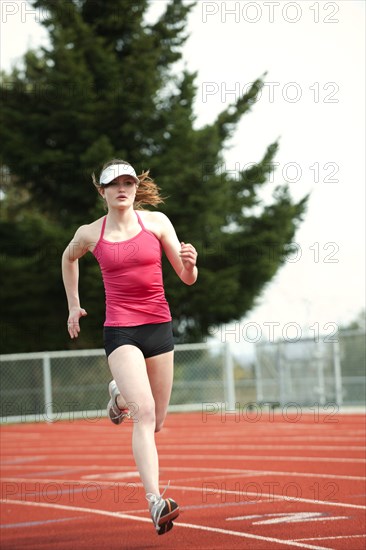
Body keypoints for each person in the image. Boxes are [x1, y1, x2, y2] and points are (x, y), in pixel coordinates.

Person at [61, 159, 198, 535]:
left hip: (159, 327)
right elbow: (67, 258)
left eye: (129, 182)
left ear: (136, 188)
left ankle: (118, 396)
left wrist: (191, 265)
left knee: (158, 421)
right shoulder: (90, 233)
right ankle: (156, 502)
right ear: (102, 191)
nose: (122, 188)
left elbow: (185, 278)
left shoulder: (156, 223)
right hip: (121, 331)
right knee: (146, 413)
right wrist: (74, 304)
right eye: (114, 183)